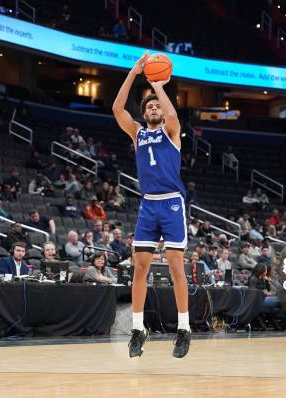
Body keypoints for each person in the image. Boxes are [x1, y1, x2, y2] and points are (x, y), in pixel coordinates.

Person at [112, 51, 190, 358]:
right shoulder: (138, 133)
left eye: (157, 105)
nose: (155, 108)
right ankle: (137, 328)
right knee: (140, 267)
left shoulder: (172, 133)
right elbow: (118, 108)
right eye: (150, 107)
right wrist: (134, 73)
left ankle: (183, 329)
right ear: (145, 114)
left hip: (171, 203)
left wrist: (158, 85)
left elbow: (172, 116)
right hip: (148, 205)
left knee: (175, 266)